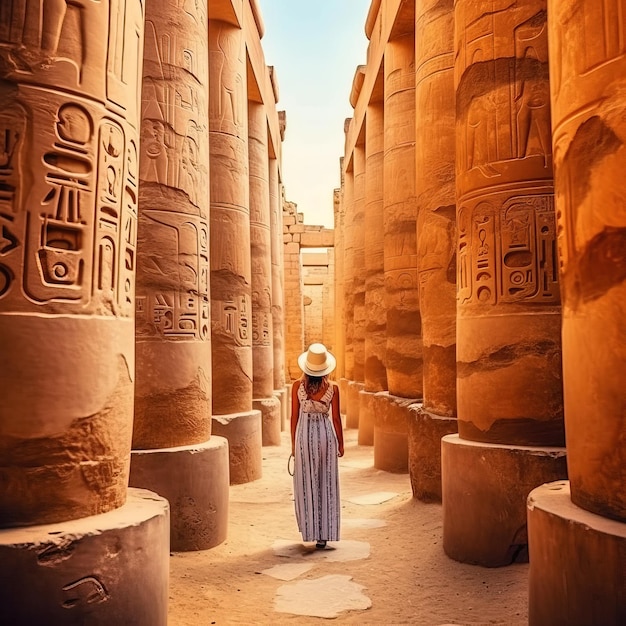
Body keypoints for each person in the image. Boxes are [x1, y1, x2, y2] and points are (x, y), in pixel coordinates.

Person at [291, 343, 344, 549]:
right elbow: (336, 419)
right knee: (326, 482)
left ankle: (310, 530)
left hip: (304, 437)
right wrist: (340, 444)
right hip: (325, 437)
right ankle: (324, 535)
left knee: (306, 483)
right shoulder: (333, 389)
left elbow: (294, 417)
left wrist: (294, 446)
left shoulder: (297, 387)